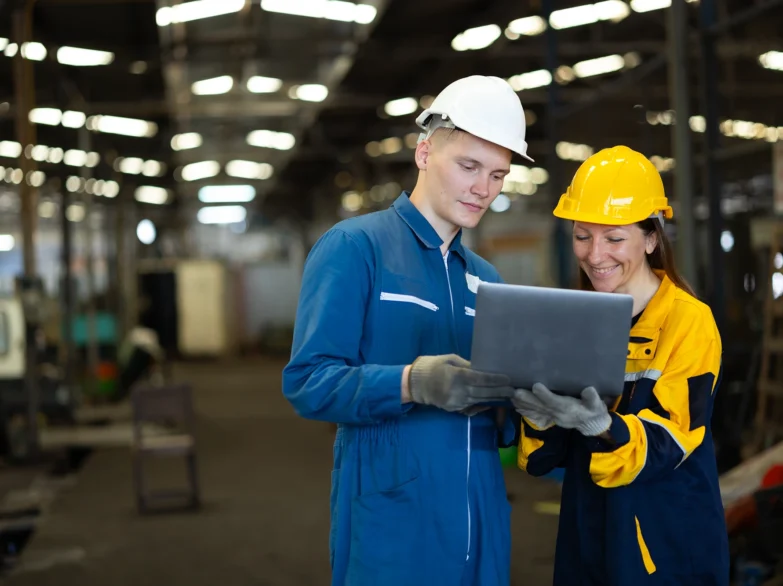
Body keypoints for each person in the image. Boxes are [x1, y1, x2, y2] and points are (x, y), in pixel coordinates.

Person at [282, 75, 532, 586]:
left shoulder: (488, 281)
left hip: (480, 524)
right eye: (469, 166)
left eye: (498, 175)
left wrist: (534, 405)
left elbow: (503, 420)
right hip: (392, 528)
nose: (483, 189)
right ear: (423, 153)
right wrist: (410, 382)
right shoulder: (355, 248)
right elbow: (308, 382)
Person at [513, 145, 729, 585]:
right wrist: (539, 419)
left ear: (651, 238)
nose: (595, 255)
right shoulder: (572, 320)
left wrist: (600, 426)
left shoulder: (688, 322)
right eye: (582, 234)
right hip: (587, 542)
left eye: (614, 237)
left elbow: (672, 438)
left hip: (665, 552)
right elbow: (541, 462)